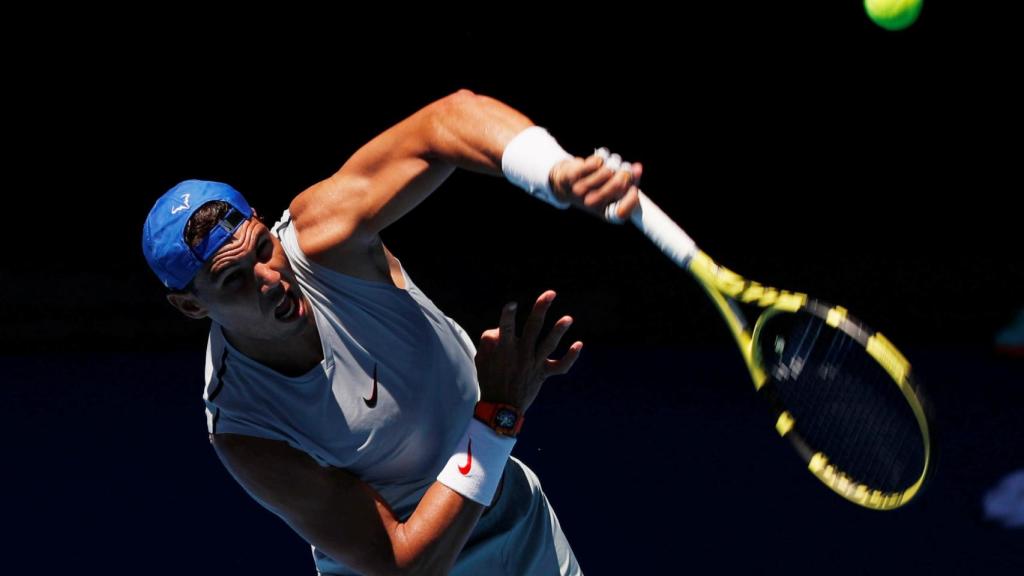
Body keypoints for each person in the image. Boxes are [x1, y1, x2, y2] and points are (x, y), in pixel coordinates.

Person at [142, 90, 641, 576]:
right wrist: (497, 415)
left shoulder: (322, 238)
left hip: (519, 521)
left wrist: (551, 172)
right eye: (234, 279)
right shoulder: (245, 426)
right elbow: (406, 565)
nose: (270, 279)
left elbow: (448, 120)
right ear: (191, 305)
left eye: (263, 249)